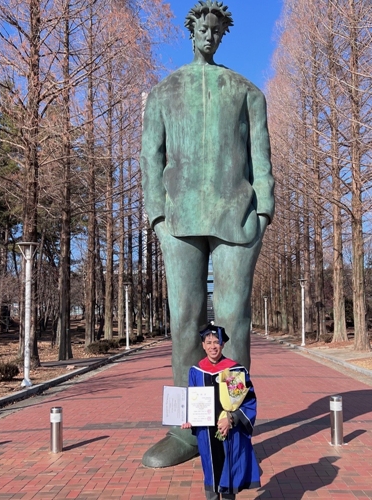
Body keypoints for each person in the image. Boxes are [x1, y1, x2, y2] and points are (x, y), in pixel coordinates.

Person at [140, 1, 275, 466]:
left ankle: (232, 420)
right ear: (191, 29)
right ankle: (185, 428)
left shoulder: (247, 92)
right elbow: (150, 159)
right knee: (184, 321)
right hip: (178, 218)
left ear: (223, 36)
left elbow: (262, 159)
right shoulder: (164, 91)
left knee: (234, 319)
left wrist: (264, 211)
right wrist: (156, 214)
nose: (210, 36)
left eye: (218, 30)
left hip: (237, 216)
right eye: (204, 28)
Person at [181, 325, 260, 499]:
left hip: (230, 430)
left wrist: (231, 419)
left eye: (217, 342)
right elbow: (192, 399)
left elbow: (248, 401)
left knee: (229, 469)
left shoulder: (234, 370)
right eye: (208, 342)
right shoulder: (196, 371)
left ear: (223, 344)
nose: (213, 346)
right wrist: (188, 418)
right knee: (210, 470)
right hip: (206, 432)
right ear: (203, 345)